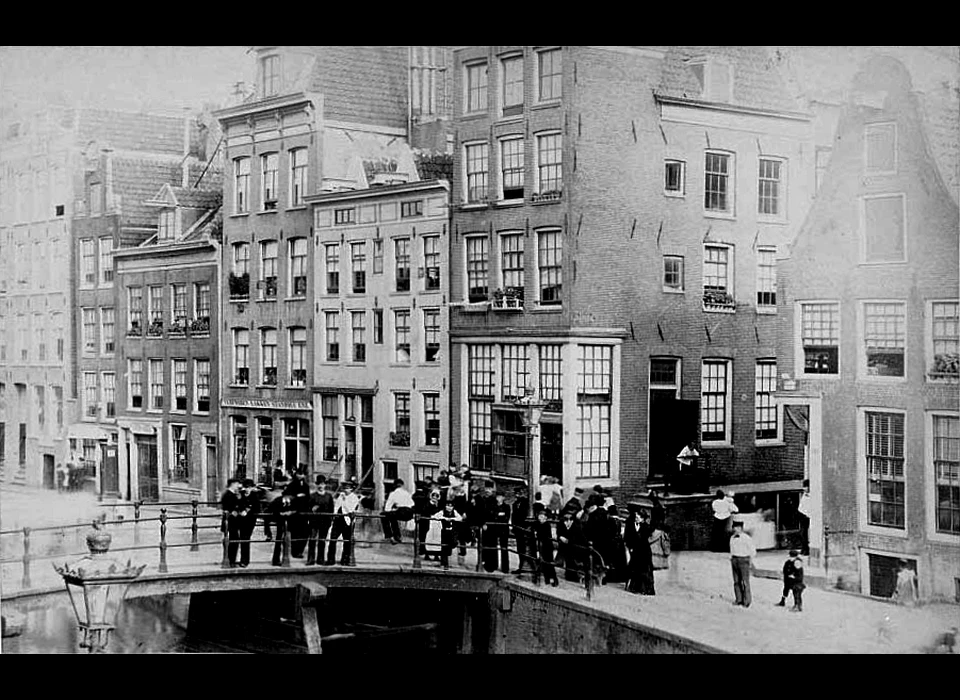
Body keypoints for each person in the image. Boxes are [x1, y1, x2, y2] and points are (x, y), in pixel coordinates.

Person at [326, 480, 361, 566]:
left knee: (347, 541)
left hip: (348, 521)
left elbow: (350, 510)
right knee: (332, 539)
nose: (346, 490)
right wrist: (334, 515)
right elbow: (336, 506)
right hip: (338, 520)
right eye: (345, 488)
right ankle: (330, 560)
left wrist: (344, 501)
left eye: (348, 488)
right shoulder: (341, 496)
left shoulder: (354, 498)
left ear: (351, 489)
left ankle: (345, 560)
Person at [581, 494, 611, 584]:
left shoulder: (593, 515)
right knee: (602, 560)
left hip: (594, 542)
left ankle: (590, 581)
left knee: (591, 561)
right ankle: (601, 579)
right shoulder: (606, 514)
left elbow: (588, 529)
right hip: (604, 542)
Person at [624, 507, 655, 595]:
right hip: (636, 550)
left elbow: (642, 538)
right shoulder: (632, 525)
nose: (636, 519)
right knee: (635, 568)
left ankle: (646, 589)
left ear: (642, 519)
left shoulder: (646, 527)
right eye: (636, 517)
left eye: (638, 517)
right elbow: (628, 537)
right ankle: (635, 588)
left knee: (645, 569)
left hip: (644, 551)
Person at [306, 477, 334, 566]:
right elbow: (307, 509)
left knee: (322, 541)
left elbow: (331, 510)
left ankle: (320, 559)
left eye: (322, 484)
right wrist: (311, 509)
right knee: (312, 540)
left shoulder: (329, 496)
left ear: (325, 485)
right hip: (314, 521)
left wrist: (330, 521)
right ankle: (311, 559)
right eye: (319, 484)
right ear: (316, 485)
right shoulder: (312, 496)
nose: (321, 486)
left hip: (325, 522)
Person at [729, 519, 756, 607]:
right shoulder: (732, 538)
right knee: (736, 581)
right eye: (734, 528)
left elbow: (753, 551)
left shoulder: (746, 538)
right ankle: (738, 599)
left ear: (741, 528)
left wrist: (750, 561)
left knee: (745, 581)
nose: (735, 529)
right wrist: (732, 559)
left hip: (744, 560)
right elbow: (732, 549)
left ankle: (746, 601)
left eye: (738, 528)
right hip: (734, 559)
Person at [557, 508, 587, 582]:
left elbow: (578, 534)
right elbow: (559, 532)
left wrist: (569, 540)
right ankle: (568, 575)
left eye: (569, 514)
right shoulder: (561, 522)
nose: (567, 516)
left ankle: (574, 576)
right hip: (565, 545)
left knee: (573, 561)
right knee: (568, 560)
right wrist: (561, 537)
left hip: (574, 545)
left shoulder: (576, 523)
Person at [236, 479, 261, 568]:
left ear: (252, 488)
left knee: (246, 539)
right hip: (241, 520)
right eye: (245, 487)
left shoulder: (255, 496)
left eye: (249, 488)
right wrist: (241, 511)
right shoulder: (241, 496)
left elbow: (257, 509)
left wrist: (248, 512)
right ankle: (242, 559)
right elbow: (237, 505)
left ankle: (245, 561)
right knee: (242, 539)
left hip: (250, 521)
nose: (247, 490)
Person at [382, 478, 415, 544]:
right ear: (402, 486)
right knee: (392, 516)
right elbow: (412, 504)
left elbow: (387, 508)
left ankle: (390, 535)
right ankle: (397, 536)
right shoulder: (407, 493)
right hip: (410, 512)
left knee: (384, 515)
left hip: (402, 511)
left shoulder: (393, 494)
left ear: (394, 486)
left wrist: (392, 509)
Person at [220, 479, 243, 567]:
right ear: (232, 484)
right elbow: (230, 508)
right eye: (237, 484)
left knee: (234, 540)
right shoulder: (228, 495)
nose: (238, 486)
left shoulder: (232, 494)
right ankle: (231, 560)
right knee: (233, 540)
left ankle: (231, 559)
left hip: (231, 521)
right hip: (230, 522)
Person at [534, 509, 559, 586]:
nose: (540, 518)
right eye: (539, 516)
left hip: (547, 547)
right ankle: (547, 579)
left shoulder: (546, 525)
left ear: (545, 518)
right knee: (544, 564)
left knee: (549, 563)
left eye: (542, 517)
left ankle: (554, 579)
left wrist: (537, 534)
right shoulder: (538, 524)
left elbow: (544, 536)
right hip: (541, 546)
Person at [510, 486, 532, 575]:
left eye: (519, 493)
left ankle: (525, 566)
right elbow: (514, 516)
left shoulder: (527, 503)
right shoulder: (515, 504)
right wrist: (514, 527)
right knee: (520, 549)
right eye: (516, 494)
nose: (517, 495)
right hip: (518, 529)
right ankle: (521, 565)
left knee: (524, 548)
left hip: (524, 529)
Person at [493, 490, 512, 573]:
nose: (499, 498)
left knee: (504, 548)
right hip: (495, 528)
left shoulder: (507, 506)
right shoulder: (493, 506)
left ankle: (505, 567)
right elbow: (492, 515)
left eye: (500, 497)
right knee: (494, 547)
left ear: (503, 498)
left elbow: (506, 517)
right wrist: (498, 514)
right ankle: (494, 565)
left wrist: (497, 515)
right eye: (497, 497)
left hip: (503, 529)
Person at [422, 489, 444, 561]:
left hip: (437, 524)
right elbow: (426, 512)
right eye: (433, 495)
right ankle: (427, 554)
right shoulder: (427, 504)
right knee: (429, 538)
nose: (435, 497)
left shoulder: (440, 505)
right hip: (430, 523)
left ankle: (436, 555)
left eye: (436, 496)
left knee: (437, 539)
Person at [798, 480, 811, 556]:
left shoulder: (810, 495)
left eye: (806, 487)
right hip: (802, 515)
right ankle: (804, 548)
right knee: (802, 533)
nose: (804, 488)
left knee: (804, 533)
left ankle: (806, 549)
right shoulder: (804, 494)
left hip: (807, 516)